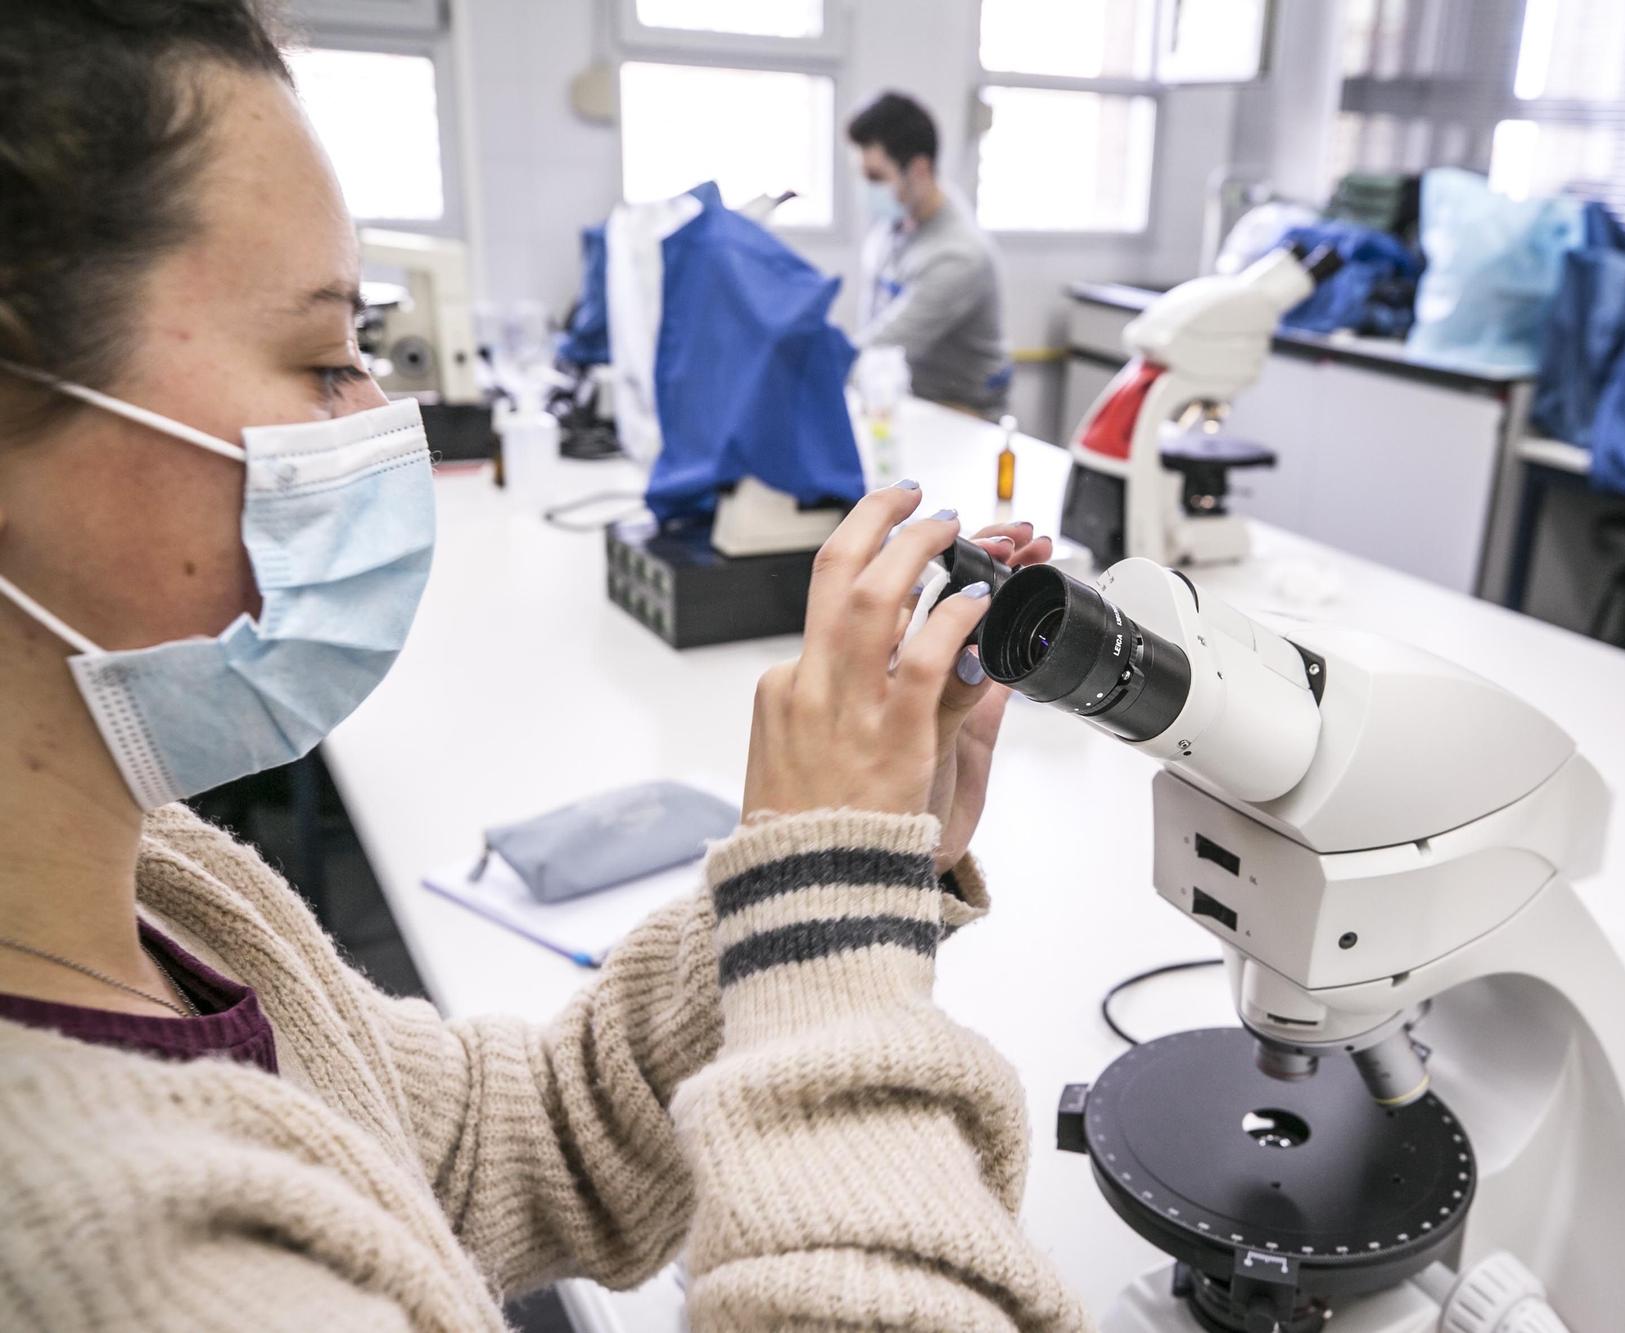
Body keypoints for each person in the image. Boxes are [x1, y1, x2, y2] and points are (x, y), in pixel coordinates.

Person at [0, 3, 1091, 1328]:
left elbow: (505, 1141)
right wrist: (830, 926)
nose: (383, 421)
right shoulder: (131, 1267)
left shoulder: (157, 887)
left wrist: (832, 879)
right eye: (326, 358)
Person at [848, 90, 1013, 419]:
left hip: (963, 414)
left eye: (876, 177)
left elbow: (886, 344)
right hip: (907, 400)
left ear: (919, 169)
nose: (867, 188)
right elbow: (871, 327)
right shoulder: (891, 226)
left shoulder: (958, 255)